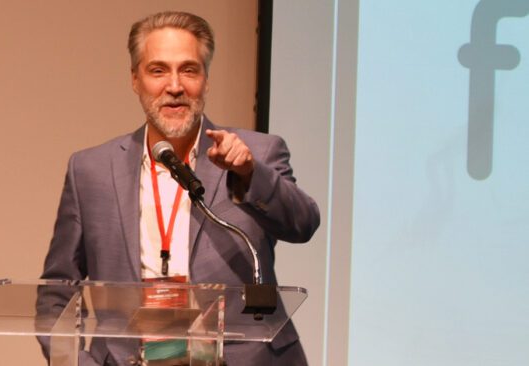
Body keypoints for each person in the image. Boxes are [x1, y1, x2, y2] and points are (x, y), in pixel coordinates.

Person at [38, 11, 320, 366]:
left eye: (189, 69)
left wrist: (249, 173)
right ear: (135, 80)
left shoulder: (257, 153)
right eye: (158, 70)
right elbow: (56, 293)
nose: (175, 86)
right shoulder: (90, 170)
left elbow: (303, 224)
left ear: (206, 79)